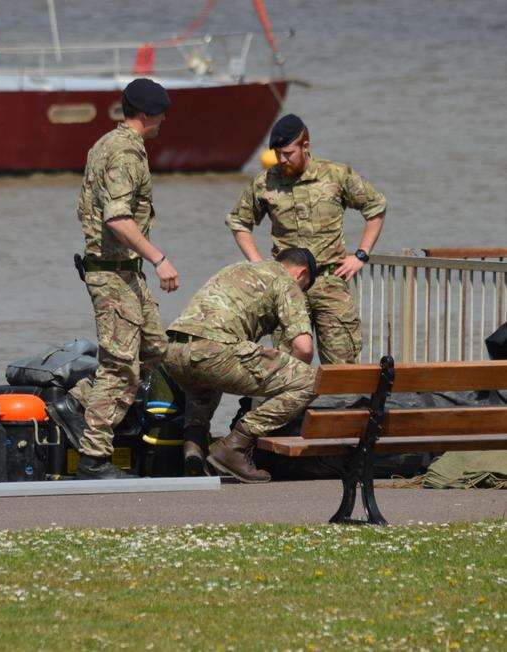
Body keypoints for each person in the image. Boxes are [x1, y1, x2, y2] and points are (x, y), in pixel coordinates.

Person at [70, 78, 180, 480]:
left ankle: (83, 400)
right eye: (162, 114)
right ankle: (94, 457)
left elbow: (86, 206)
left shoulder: (103, 144)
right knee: (120, 368)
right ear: (149, 115)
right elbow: (116, 218)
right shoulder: (125, 154)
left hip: (125, 275)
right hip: (114, 275)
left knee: (155, 348)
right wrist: (159, 259)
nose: (164, 120)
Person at [226, 114, 387, 364]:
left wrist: (360, 255)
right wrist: (260, 265)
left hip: (330, 281)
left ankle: (340, 403)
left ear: (305, 146)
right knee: (288, 366)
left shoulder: (335, 175)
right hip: (287, 286)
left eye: (288, 153)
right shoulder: (265, 182)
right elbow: (239, 222)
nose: (282, 159)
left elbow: (376, 208)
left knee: (342, 366)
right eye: (277, 153)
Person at [164, 249, 318, 482]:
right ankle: (235, 446)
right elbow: (304, 348)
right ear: (302, 273)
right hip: (213, 350)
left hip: (174, 350)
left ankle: (194, 447)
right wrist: (282, 392)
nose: (302, 292)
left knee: (205, 384)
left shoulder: (238, 268)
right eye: (305, 287)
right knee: (309, 380)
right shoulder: (286, 281)